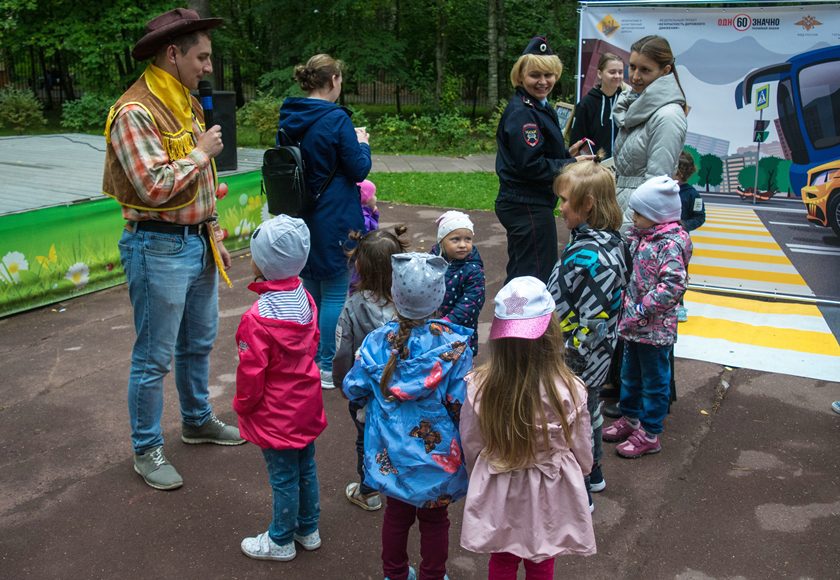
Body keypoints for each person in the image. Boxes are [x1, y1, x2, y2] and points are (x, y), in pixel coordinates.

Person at [103, 8, 244, 491]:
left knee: (199, 343)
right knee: (154, 357)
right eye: (202, 57)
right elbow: (153, 187)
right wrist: (201, 151)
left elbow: (204, 183)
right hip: (156, 247)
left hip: (197, 242)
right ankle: (146, 448)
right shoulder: (135, 111)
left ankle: (197, 421)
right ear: (172, 54)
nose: (208, 67)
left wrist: (215, 232)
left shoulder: (186, 101)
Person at [343, 253, 472, 580]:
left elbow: (353, 386)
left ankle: (396, 574)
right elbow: (461, 402)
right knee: (435, 522)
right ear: (440, 294)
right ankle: (432, 574)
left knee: (396, 517)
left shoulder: (377, 341)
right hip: (437, 456)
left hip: (391, 451)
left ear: (395, 293)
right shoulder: (453, 345)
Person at [460, 276, 596, 579]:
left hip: (499, 483)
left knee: (503, 557)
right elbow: (583, 444)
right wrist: (584, 470)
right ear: (551, 334)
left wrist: (474, 473)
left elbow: (471, 441)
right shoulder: (570, 389)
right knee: (542, 556)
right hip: (550, 485)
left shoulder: (481, 386)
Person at [233, 215, 326, 562]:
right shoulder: (306, 298)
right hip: (306, 403)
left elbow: (251, 373)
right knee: (306, 467)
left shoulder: (257, 318)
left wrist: (244, 405)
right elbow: (313, 342)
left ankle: (281, 539)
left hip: (276, 413)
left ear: (263, 263)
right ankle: (308, 528)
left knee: (284, 476)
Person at [278, 53, 372, 390]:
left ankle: (308, 357)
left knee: (311, 288)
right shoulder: (336, 119)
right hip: (334, 214)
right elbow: (358, 169)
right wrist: (363, 144)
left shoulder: (288, 116)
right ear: (333, 80)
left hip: (301, 212)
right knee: (334, 290)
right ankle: (327, 363)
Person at [546, 160, 629, 507]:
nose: (560, 207)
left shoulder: (594, 256)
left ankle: (579, 491)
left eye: (565, 200)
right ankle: (593, 473)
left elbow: (594, 321)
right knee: (589, 412)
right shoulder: (603, 243)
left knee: (574, 420)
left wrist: (568, 358)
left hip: (576, 358)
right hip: (589, 357)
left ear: (588, 204)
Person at [603, 176, 692, 458]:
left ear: (656, 216)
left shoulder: (670, 244)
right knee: (630, 375)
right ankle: (631, 418)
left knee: (654, 381)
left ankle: (650, 433)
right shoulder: (642, 237)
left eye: (638, 213)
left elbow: (673, 285)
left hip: (654, 328)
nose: (633, 217)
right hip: (633, 325)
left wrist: (642, 309)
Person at [495, 35, 595, 284]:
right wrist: (572, 165)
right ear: (520, 76)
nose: (543, 81)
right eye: (535, 75)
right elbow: (532, 166)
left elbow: (538, 155)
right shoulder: (523, 113)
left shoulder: (537, 105)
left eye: (548, 75)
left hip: (526, 203)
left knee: (521, 276)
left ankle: (511, 321)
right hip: (527, 205)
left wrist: (567, 155)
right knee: (535, 280)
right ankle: (527, 323)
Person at [332, 226, 410, 512]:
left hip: (366, 392)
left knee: (366, 439)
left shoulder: (354, 307)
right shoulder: (411, 302)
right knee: (402, 434)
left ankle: (368, 491)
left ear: (359, 265)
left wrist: (343, 383)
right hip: (406, 389)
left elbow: (342, 351)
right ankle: (404, 484)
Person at [613, 35, 688, 234]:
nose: (635, 76)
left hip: (638, 221)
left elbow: (656, 185)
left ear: (665, 71)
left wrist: (635, 231)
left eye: (645, 70)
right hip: (622, 211)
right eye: (632, 66)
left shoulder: (668, 116)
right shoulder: (634, 106)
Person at [430, 211, 486, 356]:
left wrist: (448, 322)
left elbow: (472, 302)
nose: (463, 245)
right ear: (441, 241)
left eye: (468, 239)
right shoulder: (431, 261)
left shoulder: (473, 269)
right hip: (433, 326)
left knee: (458, 367)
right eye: (455, 239)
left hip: (460, 332)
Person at [569, 53, 626, 158]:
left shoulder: (626, 100)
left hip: (622, 166)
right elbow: (577, 142)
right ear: (600, 74)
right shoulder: (586, 104)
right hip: (595, 167)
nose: (617, 76)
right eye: (612, 72)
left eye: (620, 72)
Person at [674, 151, 705, 322]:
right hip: (663, 241)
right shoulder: (664, 188)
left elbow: (700, 217)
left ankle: (679, 305)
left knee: (680, 273)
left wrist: (684, 224)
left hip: (680, 243)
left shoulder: (692, 194)